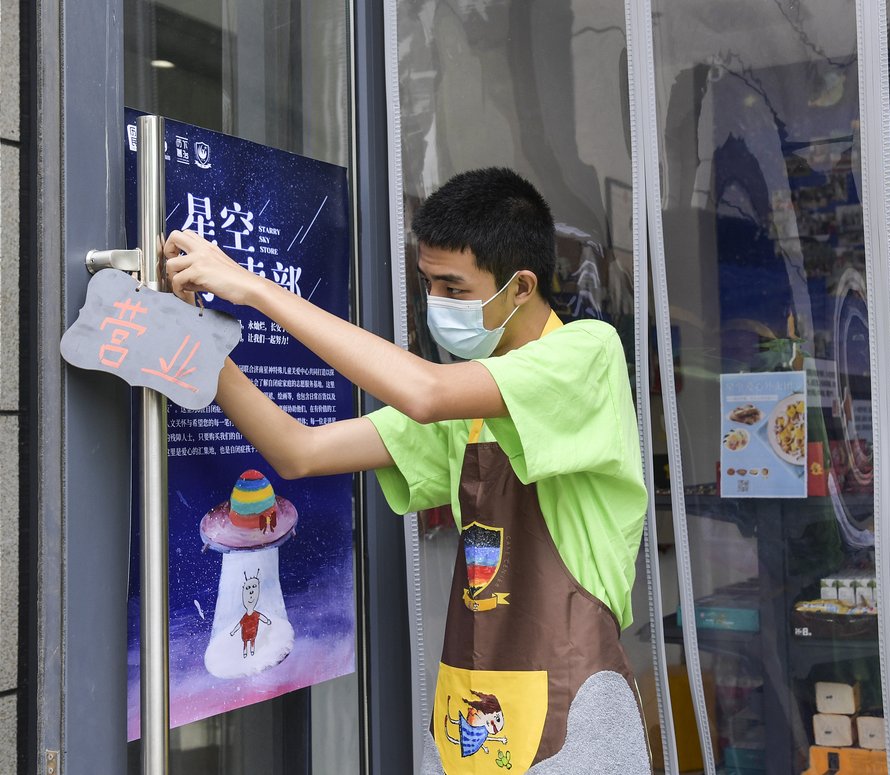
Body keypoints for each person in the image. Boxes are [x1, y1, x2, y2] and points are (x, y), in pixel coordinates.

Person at [163, 167, 651, 774]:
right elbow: (298, 451)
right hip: (471, 712)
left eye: (454, 287)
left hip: (573, 717)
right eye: (428, 284)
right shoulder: (464, 410)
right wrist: (194, 335)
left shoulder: (588, 355)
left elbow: (424, 391)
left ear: (521, 286)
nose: (436, 305)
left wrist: (254, 289)